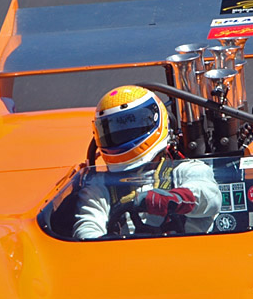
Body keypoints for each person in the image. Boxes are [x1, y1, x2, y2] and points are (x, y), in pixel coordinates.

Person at [73, 85, 221, 240]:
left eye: (131, 125)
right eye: (114, 129)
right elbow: (87, 228)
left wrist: (172, 199)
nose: (123, 134)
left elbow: (210, 197)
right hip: (126, 260)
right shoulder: (99, 185)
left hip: (187, 256)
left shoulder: (187, 170)